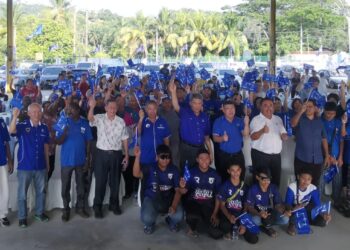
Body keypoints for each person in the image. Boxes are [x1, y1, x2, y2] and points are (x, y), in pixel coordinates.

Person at [9, 103, 50, 228]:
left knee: (41, 192)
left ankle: (39, 213)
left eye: (38, 111)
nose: (36, 114)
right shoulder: (22, 126)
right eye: (34, 112)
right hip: (25, 167)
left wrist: (47, 163)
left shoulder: (44, 127)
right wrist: (15, 116)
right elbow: (11, 130)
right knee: (22, 194)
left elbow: (46, 146)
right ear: (28, 113)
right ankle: (22, 217)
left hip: (40, 166)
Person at [88, 98, 129, 218]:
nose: (112, 110)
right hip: (101, 154)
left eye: (114, 108)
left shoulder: (121, 121)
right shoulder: (100, 117)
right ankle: (98, 207)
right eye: (110, 107)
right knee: (100, 182)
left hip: (116, 154)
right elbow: (90, 119)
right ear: (106, 108)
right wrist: (91, 107)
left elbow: (125, 138)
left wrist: (126, 154)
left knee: (115, 181)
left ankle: (114, 205)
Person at [133, 144, 183, 234]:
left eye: (167, 157)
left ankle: (170, 220)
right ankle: (150, 224)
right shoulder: (150, 167)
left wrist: (174, 206)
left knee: (179, 216)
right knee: (146, 218)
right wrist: (137, 157)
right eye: (162, 157)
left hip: (168, 200)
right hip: (152, 198)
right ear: (157, 157)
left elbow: (178, 190)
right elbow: (136, 174)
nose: (165, 160)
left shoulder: (174, 170)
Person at [55, 103, 92, 222]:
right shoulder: (63, 122)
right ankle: (66, 209)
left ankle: (80, 208)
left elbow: (89, 143)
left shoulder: (84, 123)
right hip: (66, 161)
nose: (70, 111)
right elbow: (58, 142)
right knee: (65, 187)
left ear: (78, 111)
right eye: (69, 109)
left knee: (81, 185)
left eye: (72, 109)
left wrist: (88, 159)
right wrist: (65, 133)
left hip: (81, 161)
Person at [177, 148, 223, 239]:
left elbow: (218, 196)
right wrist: (182, 186)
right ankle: (192, 227)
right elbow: (183, 192)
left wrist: (215, 213)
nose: (204, 160)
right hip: (194, 204)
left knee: (216, 234)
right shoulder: (191, 172)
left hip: (208, 206)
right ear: (197, 159)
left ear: (210, 159)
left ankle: (201, 224)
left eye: (206, 158)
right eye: (201, 158)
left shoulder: (215, 174)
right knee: (192, 216)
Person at [168, 78, 212, 170]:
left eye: (199, 103)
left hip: (200, 148)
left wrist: (210, 153)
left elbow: (207, 138)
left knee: (199, 172)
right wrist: (173, 91)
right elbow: (176, 106)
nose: (197, 105)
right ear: (190, 103)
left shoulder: (205, 117)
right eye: (195, 103)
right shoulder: (185, 113)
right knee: (186, 172)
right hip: (186, 149)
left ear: (202, 104)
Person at [291, 99, 330, 186]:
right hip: (301, 158)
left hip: (317, 160)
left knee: (314, 184)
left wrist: (327, 155)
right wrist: (301, 111)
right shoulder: (299, 119)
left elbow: (324, 138)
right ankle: (299, 200)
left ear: (315, 108)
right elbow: (293, 124)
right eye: (306, 106)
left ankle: (313, 200)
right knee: (300, 184)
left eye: (310, 106)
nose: (308, 108)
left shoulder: (320, 121)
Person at [250, 98, 288, 186]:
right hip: (260, 156)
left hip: (276, 157)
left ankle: (274, 199)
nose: (268, 108)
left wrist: (284, 136)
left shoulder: (278, 119)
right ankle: (257, 199)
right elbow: (252, 137)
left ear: (273, 107)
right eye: (265, 105)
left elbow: (284, 134)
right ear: (261, 107)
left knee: (275, 180)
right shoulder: (256, 119)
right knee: (259, 181)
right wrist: (262, 131)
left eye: (271, 105)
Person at [217, 163, 258, 243]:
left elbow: (246, 204)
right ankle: (230, 230)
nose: (235, 173)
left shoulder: (245, 186)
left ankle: (239, 228)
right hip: (228, 214)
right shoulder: (224, 186)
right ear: (228, 171)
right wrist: (229, 216)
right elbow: (222, 205)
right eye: (233, 170)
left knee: (253, 239)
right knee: (224, 226)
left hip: (240, 215)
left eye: (237, 170)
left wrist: (243, 223)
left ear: (240, 171)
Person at [284, 168, 332, 236]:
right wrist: (292, 209)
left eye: (309, 179)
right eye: (303, 178)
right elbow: (287, 203)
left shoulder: (313, 188)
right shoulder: (292, 187)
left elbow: (317, 205)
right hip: (294, 209)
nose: (306, 181)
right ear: (298, 177)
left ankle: (304, 221)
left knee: (323, 222)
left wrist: (324, 213)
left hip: (306, 208)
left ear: (311, 180)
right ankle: (292, 224)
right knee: (291, 211)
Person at [246, 167, 289, 238]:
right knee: (255, 220)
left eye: (268, 179)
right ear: (257, 177)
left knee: (285, 219)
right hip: (258, 214)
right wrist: (259, 213)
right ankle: (265, 227)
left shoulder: (273, 188)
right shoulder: (253, 189)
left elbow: (278, 204)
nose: (267, 182)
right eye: (263, 179)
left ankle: (267, 224)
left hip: (271, 213)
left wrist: (284, 211)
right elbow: (250, 207)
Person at [212, 100, 249, 181]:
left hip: (238, 155)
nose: (230, 110)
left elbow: (245, 135)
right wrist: (222, 138)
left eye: (232, 108)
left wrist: (246, 124)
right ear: (223, 110)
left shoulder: (239, 120)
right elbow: (215, 138)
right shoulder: (218, 121)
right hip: (224, 156)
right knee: (224, 178)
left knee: (240, 177)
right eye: (227, 108)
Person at [320, 102, 346, 209]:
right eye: (327, 113)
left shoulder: (339, 123)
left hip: (336, 157)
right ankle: (318, 202)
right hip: (322, 156)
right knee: (320, 179)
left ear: (335, 113)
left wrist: (340, 157)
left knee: (337, 179)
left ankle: (337, 201)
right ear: (324, 111)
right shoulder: (319, 121)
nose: (329, 115)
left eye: (332, 113)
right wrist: (328, 156)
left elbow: (341, 140)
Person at [0, 117, 13, 227]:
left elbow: (6, 142)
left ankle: (2, 215)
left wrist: (10, 160)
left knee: (4, 190)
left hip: (2, 161)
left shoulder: (1, 122)